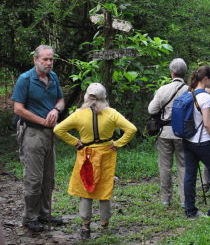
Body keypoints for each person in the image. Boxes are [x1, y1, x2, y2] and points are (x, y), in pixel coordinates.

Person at [54, 83, 136, 239]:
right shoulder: (112, 113)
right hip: (106, 155)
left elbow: (58, 129)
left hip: (87, 156)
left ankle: (86, 226)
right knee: (105, 189)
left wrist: (75, 142)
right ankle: (104, 223)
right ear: (104, 97)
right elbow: (131, 129)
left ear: (87, 96)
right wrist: (117, 143)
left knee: (86, 189)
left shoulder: (79, 114)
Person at [12, 45, 65, 232]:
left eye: (51, 59)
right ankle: (30, 217)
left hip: (49, 133)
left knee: (48, 177)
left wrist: (55, 109)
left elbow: (60, 100)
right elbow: (18, 108)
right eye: (45, 59)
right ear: (36, 60)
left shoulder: (54, 77)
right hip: (32, 132)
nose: (49, 63)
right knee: (34, 178)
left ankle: (44, 214)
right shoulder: (25, 79)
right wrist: (43, 120)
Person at [148, 58, 189, 207]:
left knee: (165, 167)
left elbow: (151, 110)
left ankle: (165, 199)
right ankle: (185, 200)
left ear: (172, 72)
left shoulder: (163, 89)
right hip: (183, 133)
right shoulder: (189, 90)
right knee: (183, 166)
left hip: (165, 133)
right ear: (185, 72)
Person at [182, 65, 210, 218]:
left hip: (187, 140)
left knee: (189, 175)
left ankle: (190, 211)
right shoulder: (205, 97)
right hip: (202, 142)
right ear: (205, 79)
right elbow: (207, 123)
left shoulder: (188, 93)